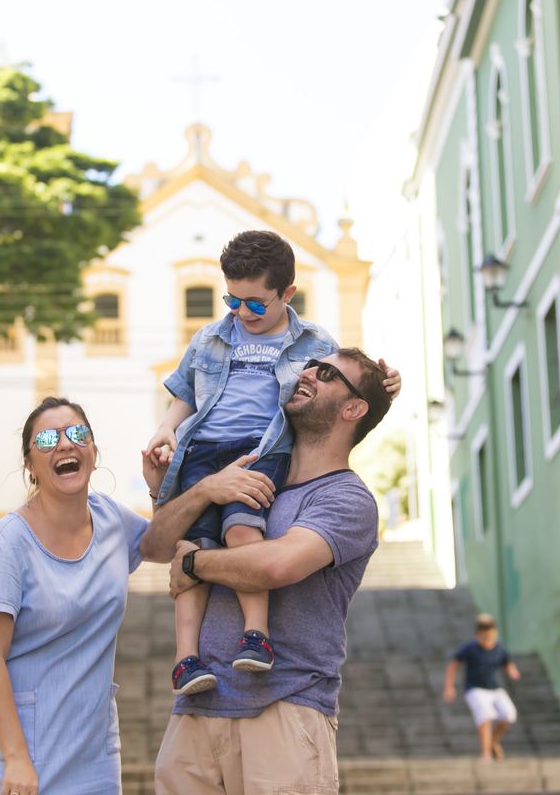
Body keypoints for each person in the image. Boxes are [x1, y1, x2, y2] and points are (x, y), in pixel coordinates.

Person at [144, 230, 399, 696]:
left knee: (243, 530)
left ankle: (256, 634)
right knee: (191, 544)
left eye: (257, 303)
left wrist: (384, 384)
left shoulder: (313, 341)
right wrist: (166, 429)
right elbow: (184, 391)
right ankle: (185, 659)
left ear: (287, 293)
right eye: (233, 300)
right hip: (203, 451)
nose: (243, 312)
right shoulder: (211, 337)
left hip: (260, 452)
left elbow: (343, 385)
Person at [140, 348, 393, 795]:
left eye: (328, 372)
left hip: (283, 709)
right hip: (196, 711)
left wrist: (194, 563)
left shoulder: (346, 498)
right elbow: (155, 547)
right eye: (311, 364)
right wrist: (203, 490)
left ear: (353, 408)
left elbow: (276, 564)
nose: (309, 371)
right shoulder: (239, 476)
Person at [0, 397, 151, 795]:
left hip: (91, 749)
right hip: (12, 750)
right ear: (30, 465)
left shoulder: (112, 519)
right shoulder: (5, 544)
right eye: (46, 439)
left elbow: (161, 545)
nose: (64, 444)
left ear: (93, 453)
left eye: (77, 433)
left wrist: (162, 489)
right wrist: (15, 757)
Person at [442, 614, 521, 761]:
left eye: (490, 637)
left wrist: (512, 671)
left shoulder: (499, 648)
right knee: (485, 715)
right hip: (475, 689)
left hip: (495, 688)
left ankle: (493, 741)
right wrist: (448, 687)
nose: (487, 641)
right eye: (484, 637)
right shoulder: (470, 648)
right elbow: (453, 665)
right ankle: (486, 754)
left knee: (509, 714)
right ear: (477, 635)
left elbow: (507, 663)